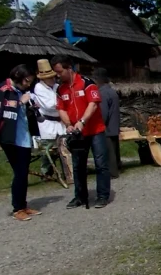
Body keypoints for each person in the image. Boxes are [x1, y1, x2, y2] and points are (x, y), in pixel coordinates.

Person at [51, 55, 111, 209]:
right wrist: (68, 124)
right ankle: (80, 197)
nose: (58, 75)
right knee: (78, 165)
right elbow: (61, 109)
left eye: (59, 71)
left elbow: (93, 104)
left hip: (95, 130)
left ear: (69, 68)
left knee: (100, 163)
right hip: (77, 133)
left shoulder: (87, 83)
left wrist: (82, 121)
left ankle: (102, 196)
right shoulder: (61, 88)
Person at [0, 64, 42, 221]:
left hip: (23, 136)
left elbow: (21, 113)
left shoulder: (21, 91)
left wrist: (31, 108)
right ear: (20, 77)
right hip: (10, 138)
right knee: (19, 173)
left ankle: (23, 205)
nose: (29, 84)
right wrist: (20, 102)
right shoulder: (2, 90)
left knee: (23, 172)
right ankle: (17, 208)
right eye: (27, 81)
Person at [31, 59, 69, 179]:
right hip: (47, 122)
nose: (53, 79)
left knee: (64, 146)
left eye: (53, 77)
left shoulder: (57, 86)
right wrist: (62, 102)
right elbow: (50, 104)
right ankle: (46, 172)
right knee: (48, 150)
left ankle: (67, 171)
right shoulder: (39, 88)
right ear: (43, 78)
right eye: (50, 78)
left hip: (59, 121)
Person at [93, 68, 121, 179]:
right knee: (114, 149)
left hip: (107, 127)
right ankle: (117, 166)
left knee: (108, 151)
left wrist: (100, 124)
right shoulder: (111, 91)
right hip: (114, 125)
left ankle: (112, 172)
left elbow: (103, 112)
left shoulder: (103, 93)